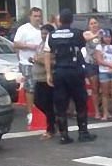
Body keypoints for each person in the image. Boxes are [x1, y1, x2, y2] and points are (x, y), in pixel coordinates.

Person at [44, 9, 97, 144]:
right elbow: (83, 42)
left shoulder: (52, 35)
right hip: (75, 71)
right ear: (71, 20)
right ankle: (83, 133)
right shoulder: (76, 33)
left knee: (61, 103)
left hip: (59, 71)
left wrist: (49, 73)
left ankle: (64, 135)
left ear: (59, 20)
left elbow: (48, 53)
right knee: (80, 101)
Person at [14, 7, 43, 124]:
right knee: (30, 87)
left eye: (39, 16)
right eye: (35, 16)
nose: (37, 18)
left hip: (40, 62)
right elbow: (16, 44)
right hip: (27, 62)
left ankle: (39, 110)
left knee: (39, 87)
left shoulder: (42, 29)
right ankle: (30, 112)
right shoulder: (24, 29)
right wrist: (31, 46)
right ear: (30, 17)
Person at [32, 24, 57, 140]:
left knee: (48, 105)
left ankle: (50, 129)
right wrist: (34, 59)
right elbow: (37, 57)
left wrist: (39, 60)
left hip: (47, 78)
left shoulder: (53, 45)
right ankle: (53, 120)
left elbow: (53, 61)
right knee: (37, 102)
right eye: (42, 33)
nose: (43, 36)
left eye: (46, 33)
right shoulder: (41, 44)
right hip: (38, 78)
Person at [83, 17, 102, 119]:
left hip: (102, 64)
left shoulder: (102, 33)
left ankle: (103, 108)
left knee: (102, 88)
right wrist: (96, 35)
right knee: (94, 88)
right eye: (91, 23)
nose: (94, 25)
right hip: (91, 63)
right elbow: (86, 39)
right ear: (88, 25)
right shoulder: (87, 33)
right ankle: (97, 111)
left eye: (95, 23)